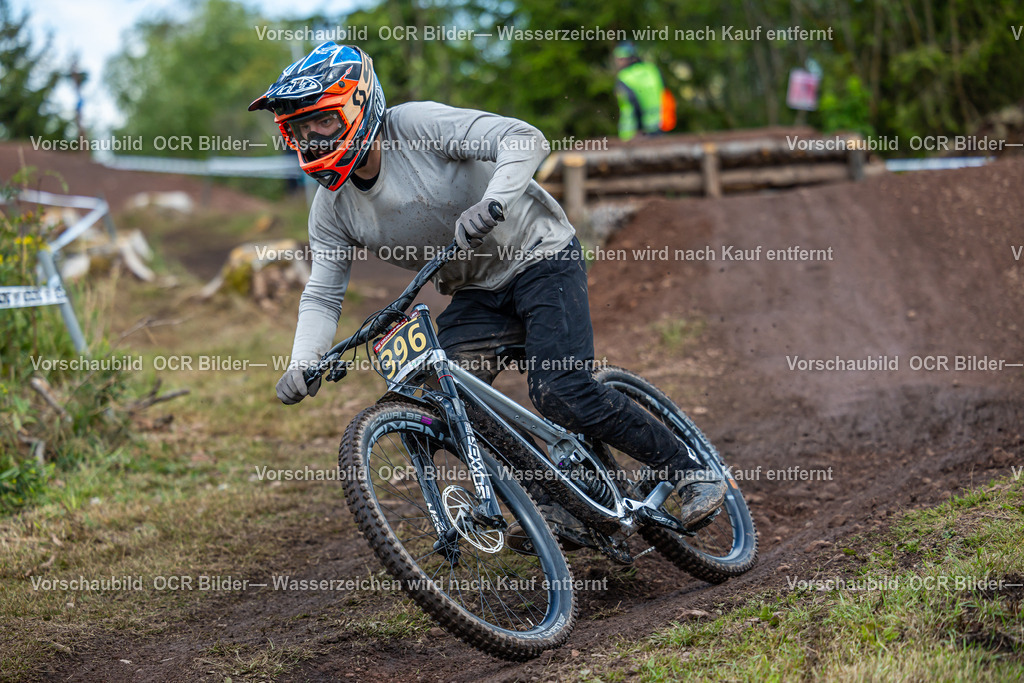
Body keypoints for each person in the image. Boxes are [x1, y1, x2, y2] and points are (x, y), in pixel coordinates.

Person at [250, 42, 723, 531]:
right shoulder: (331, 208)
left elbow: (523, 137)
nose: (313, 137)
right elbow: (324, 293)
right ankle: (555, 500)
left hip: (541, 255)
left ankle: (689, 471)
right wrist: (304, 360)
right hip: (476, 292)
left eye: (322, 120)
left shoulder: (415, 126)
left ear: (358, 105)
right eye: (301, 128)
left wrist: (494, 201)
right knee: (444, 399)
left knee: (561, 390)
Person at [613, 41, 675, 141]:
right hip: (659, 127)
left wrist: (639, 129)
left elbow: (633, 103)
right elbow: (666, 95)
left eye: (620, 59)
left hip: (634, 134)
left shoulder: (624, 77)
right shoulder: (652, 70)